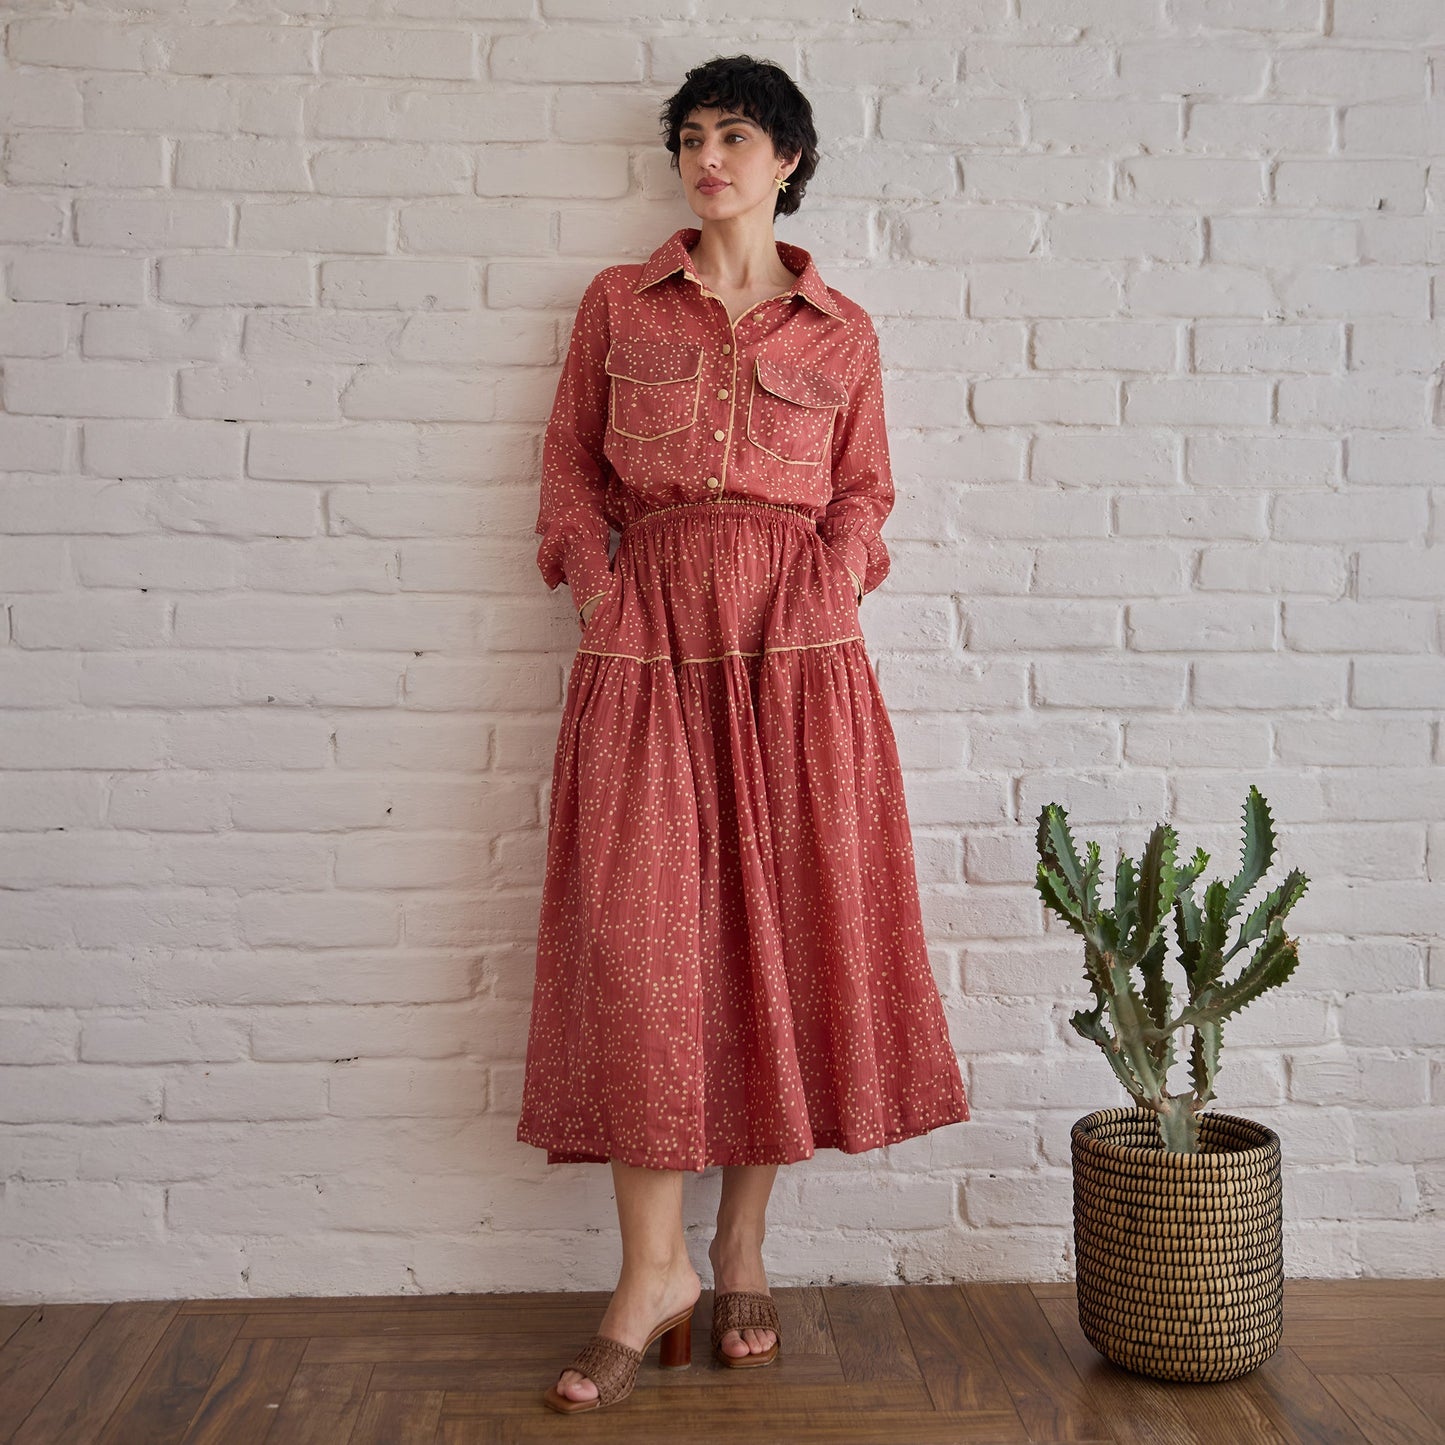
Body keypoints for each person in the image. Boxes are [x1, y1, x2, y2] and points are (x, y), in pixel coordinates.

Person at [515, 53, 970, 1415]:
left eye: (734, 137)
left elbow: (864, 492)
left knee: (781, 934)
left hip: (796, 652)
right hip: (647, 639)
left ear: (788, 162)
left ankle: (741, 1249)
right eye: (690, 138)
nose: (706, 158)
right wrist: (600, 588)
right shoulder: (617, 304)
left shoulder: (842, 331)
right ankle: (648, 1273)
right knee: (640, 942)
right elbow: (568, 469)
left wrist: (832, 578)